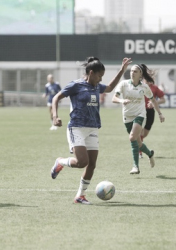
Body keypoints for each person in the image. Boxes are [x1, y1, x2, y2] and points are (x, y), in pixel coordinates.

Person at [50, 56, 132, 205]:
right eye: (99, 76)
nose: (101, 79)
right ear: (91, 72)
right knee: (82, 162)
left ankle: (80, 196)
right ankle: (60, 162)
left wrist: (122, 70)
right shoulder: (76, 85)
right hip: (77, 128)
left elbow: (110, 88)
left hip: (93, 127)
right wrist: (55, 117)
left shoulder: (96, 86)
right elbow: (56, 97)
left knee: (92, 164)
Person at [112, 64, 165, 175]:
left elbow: (154, 100)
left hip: (140, 115)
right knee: (138, 142)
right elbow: (114, 98)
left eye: (135, 71)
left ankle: (135, 167)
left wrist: (160, 113)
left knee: (132, 138)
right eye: (131, 71)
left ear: (140, 74)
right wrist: (122, 101)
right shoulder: (123, 84)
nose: (132, 73)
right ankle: (150, 154)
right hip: (127, 116)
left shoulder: (144, 87)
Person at [139, 71, 166, 158]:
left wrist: (154, 102)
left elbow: (163, 100)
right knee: (140, 132)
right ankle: (139, 152)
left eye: (151, 78)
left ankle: (139, 145)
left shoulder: (155, 88)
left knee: (145, 133)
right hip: (140, 111)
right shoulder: (139, 86)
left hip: (150, 112)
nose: (150, 80)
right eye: (148, 78)